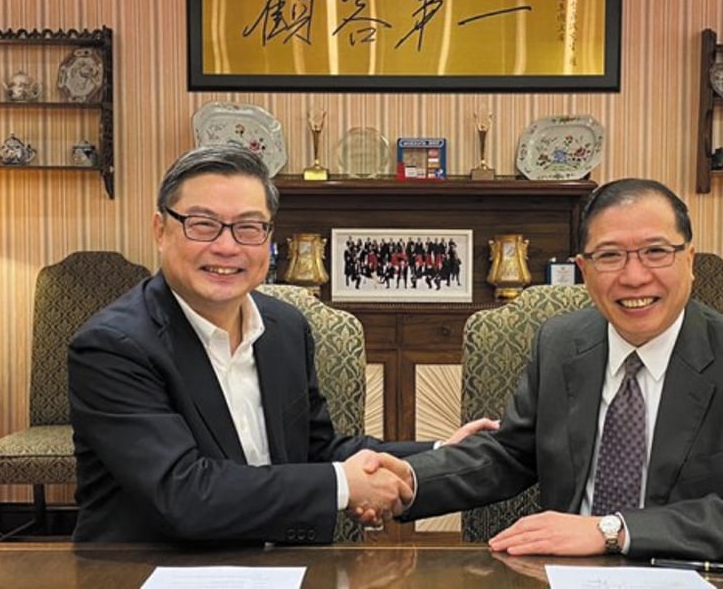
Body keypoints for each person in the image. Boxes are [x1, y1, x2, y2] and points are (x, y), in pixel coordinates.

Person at [68, 145, 495, 543]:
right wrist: (345, 485)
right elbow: (184, 494)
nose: (226, 246)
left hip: (276, 563)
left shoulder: (284, 327)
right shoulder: (113, 347)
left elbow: (316, 450)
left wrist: (438, 453)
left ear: (269, 236)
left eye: (248, 227)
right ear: (161, 230)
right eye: (203, 224)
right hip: (149, 569)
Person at [369, 178, 723, 561]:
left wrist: (611, 530)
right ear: (583, 269)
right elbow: (512, 454)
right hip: (565, 573)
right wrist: (411, 480)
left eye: (656, 252)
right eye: (610, 256)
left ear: (689, 261)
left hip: (684, 569)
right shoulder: (561, 343)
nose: (634, 277)